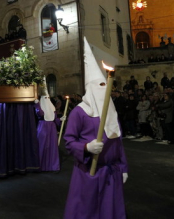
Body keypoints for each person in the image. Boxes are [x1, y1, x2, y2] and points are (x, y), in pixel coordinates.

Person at [63, 37, 128, 219]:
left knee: (109, 210)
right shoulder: (80, 112)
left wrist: (123, 167)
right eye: (99, 85)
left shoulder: (111, 111)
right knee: (88, 210)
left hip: (111, 173)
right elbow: (69, 141)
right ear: (90, 89)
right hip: (89, 172)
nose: (103, 88)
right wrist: (86, 148)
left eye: (104, 85)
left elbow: (118, 142)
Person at [33, 77, 62, 172]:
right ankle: (41, 165)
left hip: (52, 128)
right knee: (42, 145)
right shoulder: (39, 107)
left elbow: (55, 119)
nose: (47, 99)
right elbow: (40, 114)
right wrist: (37, 105)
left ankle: (52, 165)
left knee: (52, 147)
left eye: (48, 98)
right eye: (45, 98)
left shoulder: (52, 108)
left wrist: (61, 119)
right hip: (43, 127)